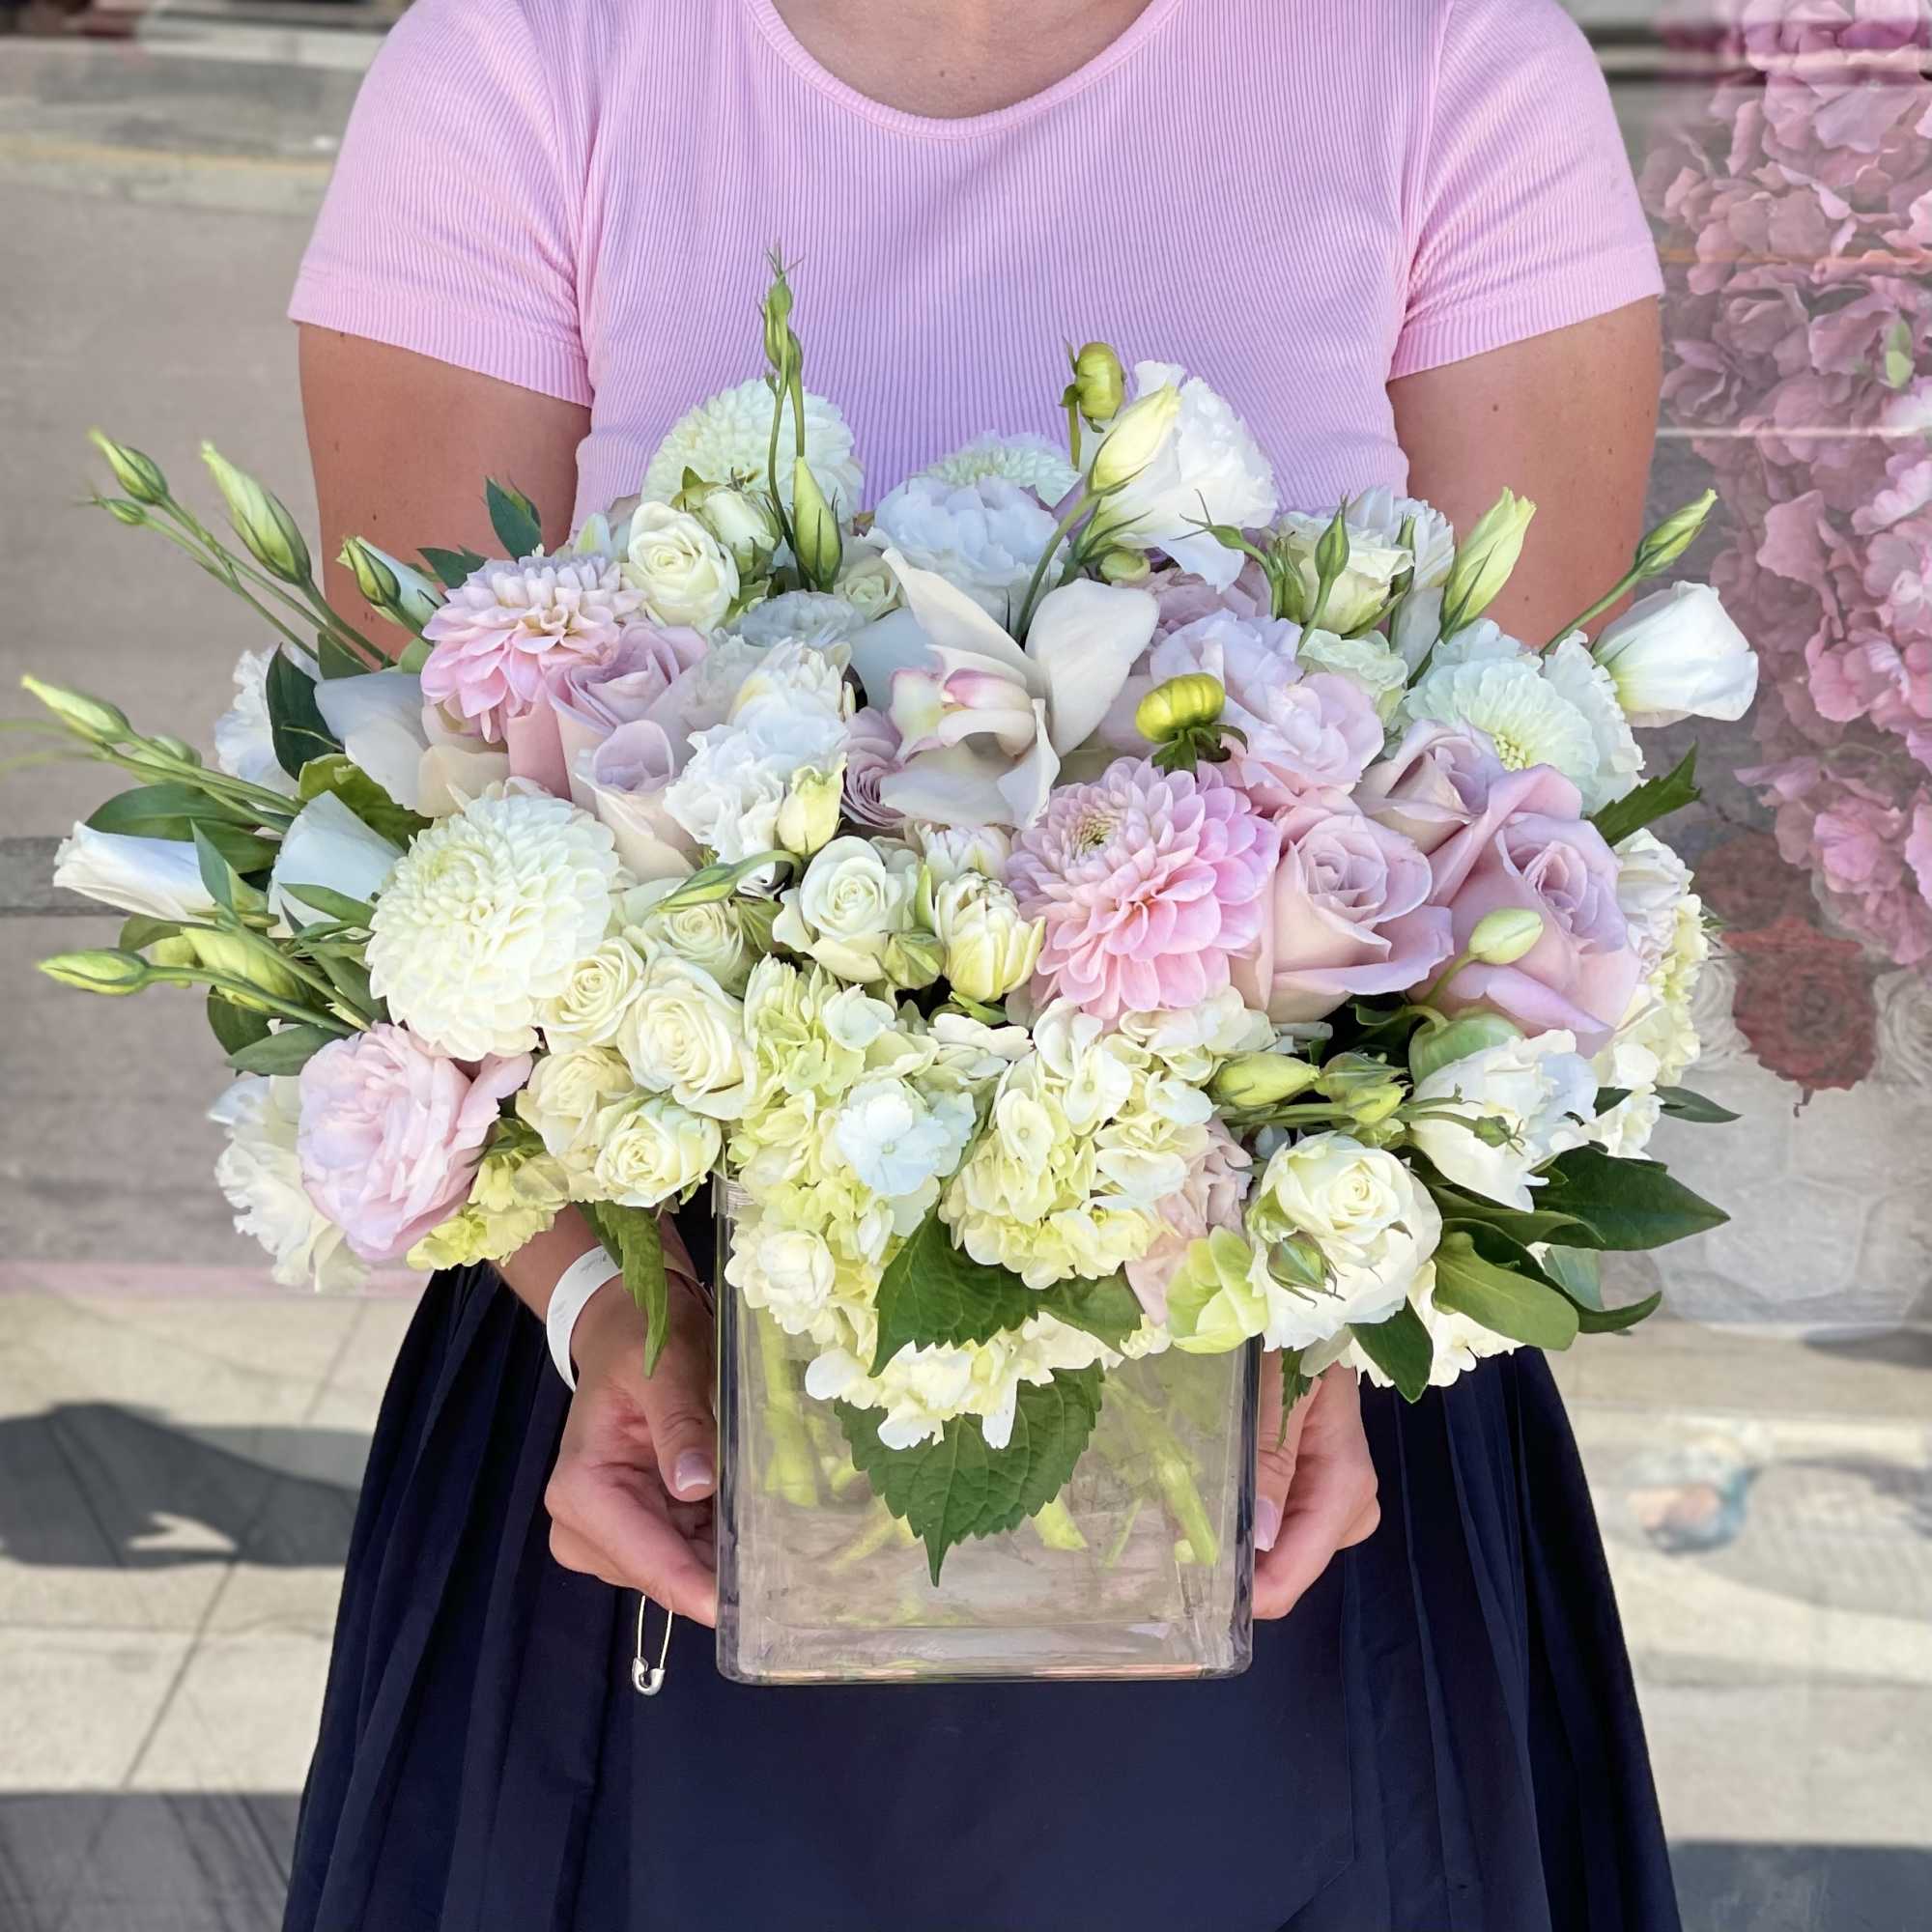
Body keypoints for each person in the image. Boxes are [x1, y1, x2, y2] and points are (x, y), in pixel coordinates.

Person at [285, 2, 1679, 1926]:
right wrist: (597, 1319)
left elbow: (1509, 852)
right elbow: (425, 858)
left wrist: (1357, 1297)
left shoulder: (1445, 58)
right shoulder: (535, 56)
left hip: (1283, 1440)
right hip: (661, 1389)